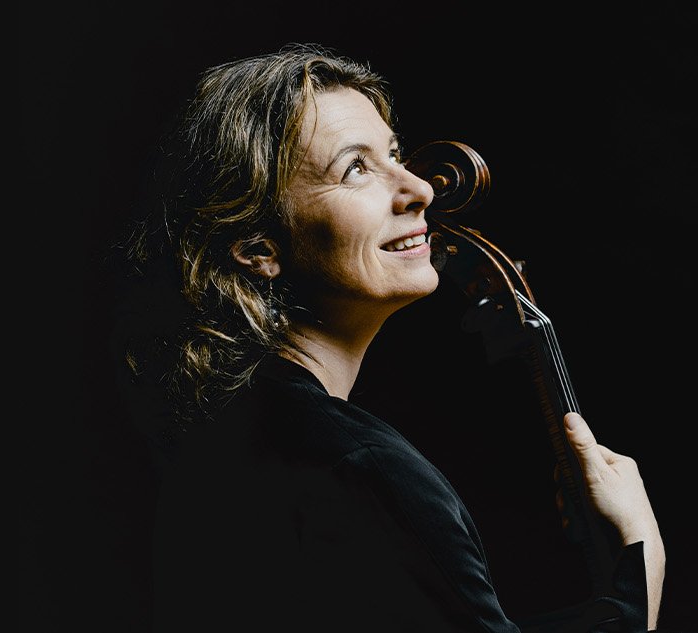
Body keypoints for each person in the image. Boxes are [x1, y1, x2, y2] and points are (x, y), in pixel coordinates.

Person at [111, 43, 669, 632]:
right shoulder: (358, 467)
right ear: (258, 247)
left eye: (395, 154)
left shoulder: (235, 434)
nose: (420, 188)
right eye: (356, 168)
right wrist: (640, 560)